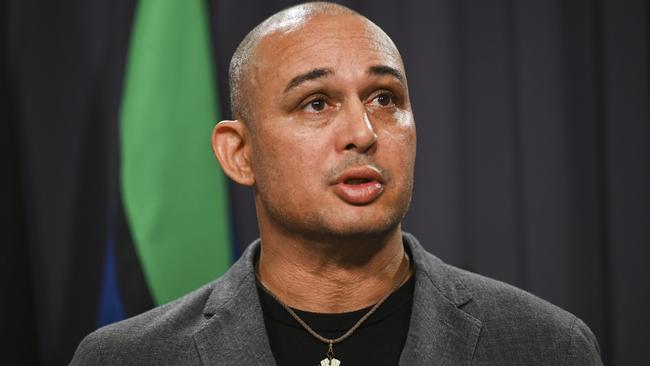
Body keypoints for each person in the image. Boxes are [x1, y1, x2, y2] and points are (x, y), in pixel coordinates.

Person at [71, 2, 602, 365]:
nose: (362, 133)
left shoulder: (547, 347)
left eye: (384, 98)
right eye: (316, 103)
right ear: (239, 153)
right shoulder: (125, 358)